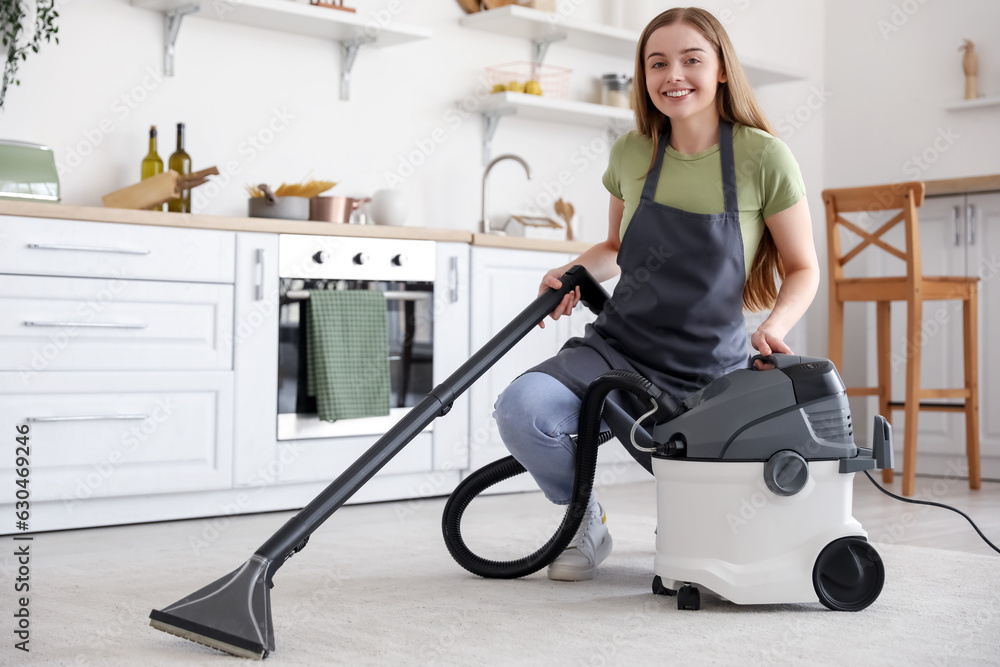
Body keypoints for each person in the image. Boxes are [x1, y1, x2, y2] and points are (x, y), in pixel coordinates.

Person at [493, 7, 820, 582]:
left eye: (692, 60)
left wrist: (776, 324)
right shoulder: (631, 152)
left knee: (693, 551)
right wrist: (570, 270)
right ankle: (582, 521)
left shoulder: (763, 156)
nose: (674, 75)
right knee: (522, 410)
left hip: (709, 367)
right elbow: (617, 246)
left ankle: (686, 517)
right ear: (644, 76)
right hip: (619, 347)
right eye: (657, 63)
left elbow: (802, 267)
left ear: (722, 69)